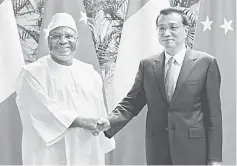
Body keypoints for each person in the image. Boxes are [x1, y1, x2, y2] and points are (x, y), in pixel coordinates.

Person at [97, 7, 222, 165]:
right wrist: (110, 121)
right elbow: (132, 102)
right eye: (161, 28)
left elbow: (214, 115)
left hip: (193, 149)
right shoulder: (148, 65)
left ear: (186, 29)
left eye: (172, 27)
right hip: (158, 149)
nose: (166, 33)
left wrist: (215, 158)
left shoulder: (206, 63)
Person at [16, 12, 115, 165]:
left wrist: (102, 125)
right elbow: (40, 111)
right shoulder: (32, 73)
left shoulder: (91, 73)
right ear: (48, 41)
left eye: (69, 36)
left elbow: (99, 112)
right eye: (56, 36)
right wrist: (82, 122)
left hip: (87, 149)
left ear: (77, 40)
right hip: (50, 153)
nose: (63, 41)